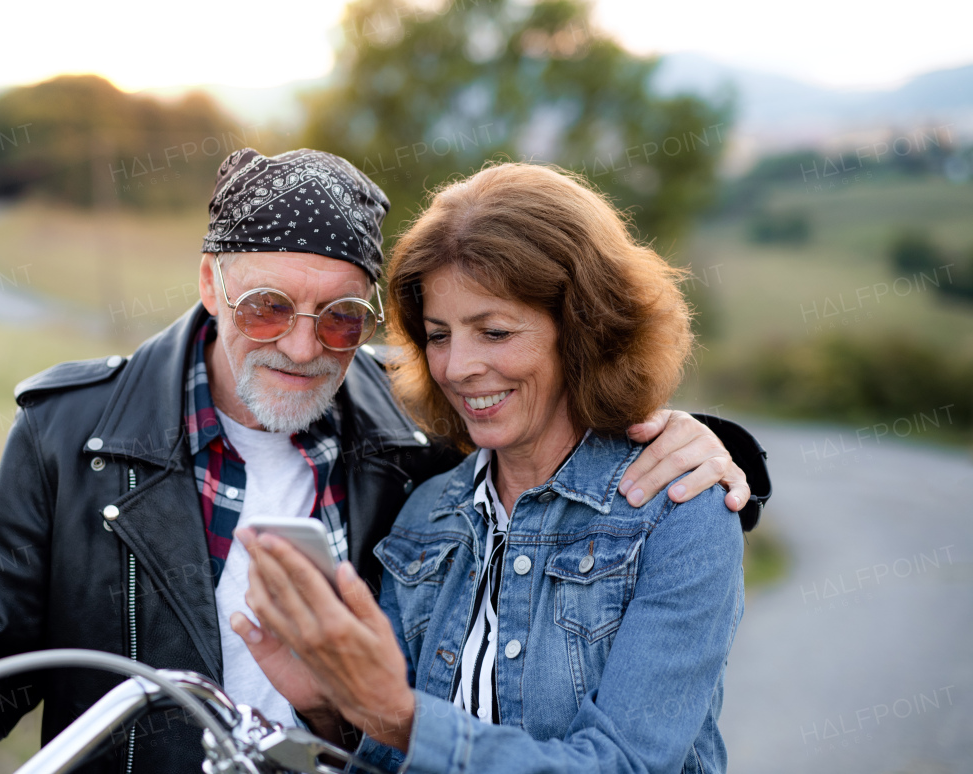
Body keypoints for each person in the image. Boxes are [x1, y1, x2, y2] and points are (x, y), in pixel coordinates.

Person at [0, 150, 766, 774]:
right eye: (267, 305)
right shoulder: (73, 435)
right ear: (210, 284)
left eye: (342, 318)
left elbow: (558, 426)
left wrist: (726, 453)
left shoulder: (409, 435)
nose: (305, 345)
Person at [235, 162, 756, 773]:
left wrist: (401, 716)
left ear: (584, 330)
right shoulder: (428, 512)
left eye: (496, 331)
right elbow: (386, 754)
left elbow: (623, 765)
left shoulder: (679, 513)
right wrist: (332, 711)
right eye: (438, 335)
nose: (457, 367)